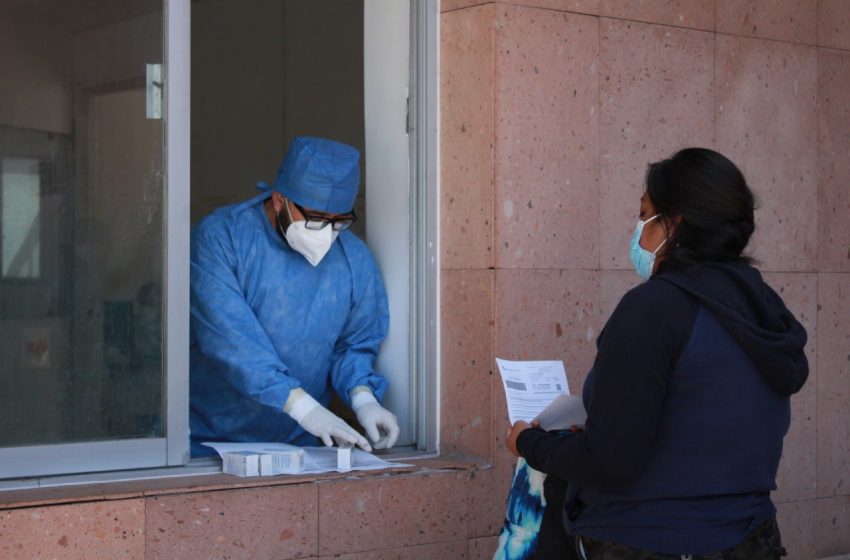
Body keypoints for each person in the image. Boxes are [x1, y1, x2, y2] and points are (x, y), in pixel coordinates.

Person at [506, 147, 806, 559]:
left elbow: (610, 462)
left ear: (675, 223)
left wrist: (529, 442)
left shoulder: (654, 309)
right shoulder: (762, 305)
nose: (637, 229)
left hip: (649, 541)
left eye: (644, 215)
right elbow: (701, 419)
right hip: (751, 540)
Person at [190, 136, 400, 457]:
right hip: (213, 439)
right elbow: (231, 341)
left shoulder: (353, 258)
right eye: (315, 218)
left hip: (299, 446)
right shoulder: (223, 239)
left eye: (338, 221)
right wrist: (305, 409)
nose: (327, 233)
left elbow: (353, 346)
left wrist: (364, 400)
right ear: (279, 199)